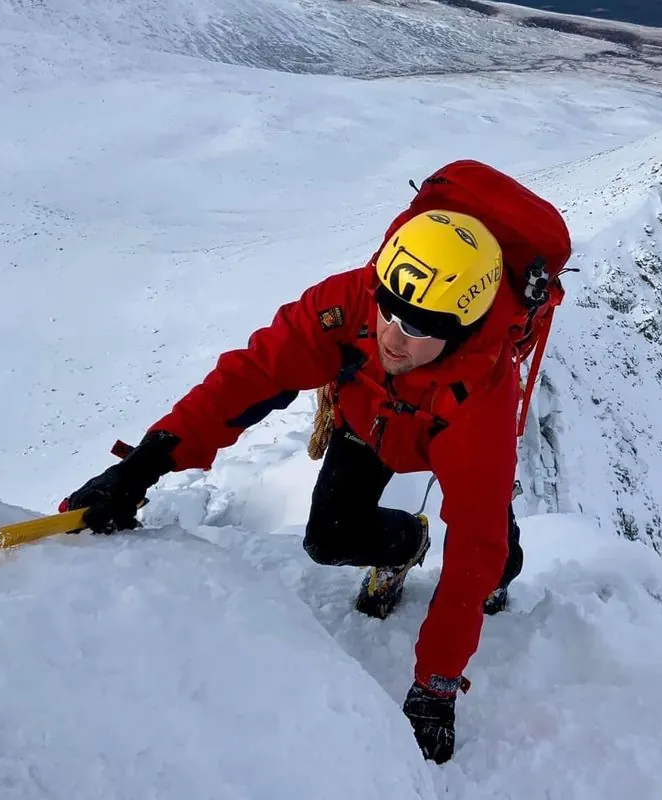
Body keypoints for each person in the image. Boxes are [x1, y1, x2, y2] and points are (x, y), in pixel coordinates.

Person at [60, 208, 531, 765]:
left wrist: (437, 685)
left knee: (489, 560)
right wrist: (143, 465)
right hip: (370, 422)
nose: (391, 337)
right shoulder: (350, 301)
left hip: (443, 431)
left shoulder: (483, 400)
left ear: (463, 330)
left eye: (418, 327)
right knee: (329, 538)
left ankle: (507, 574)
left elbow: (474, 542)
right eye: (388, 309)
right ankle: (407, 545)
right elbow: (251, 377)